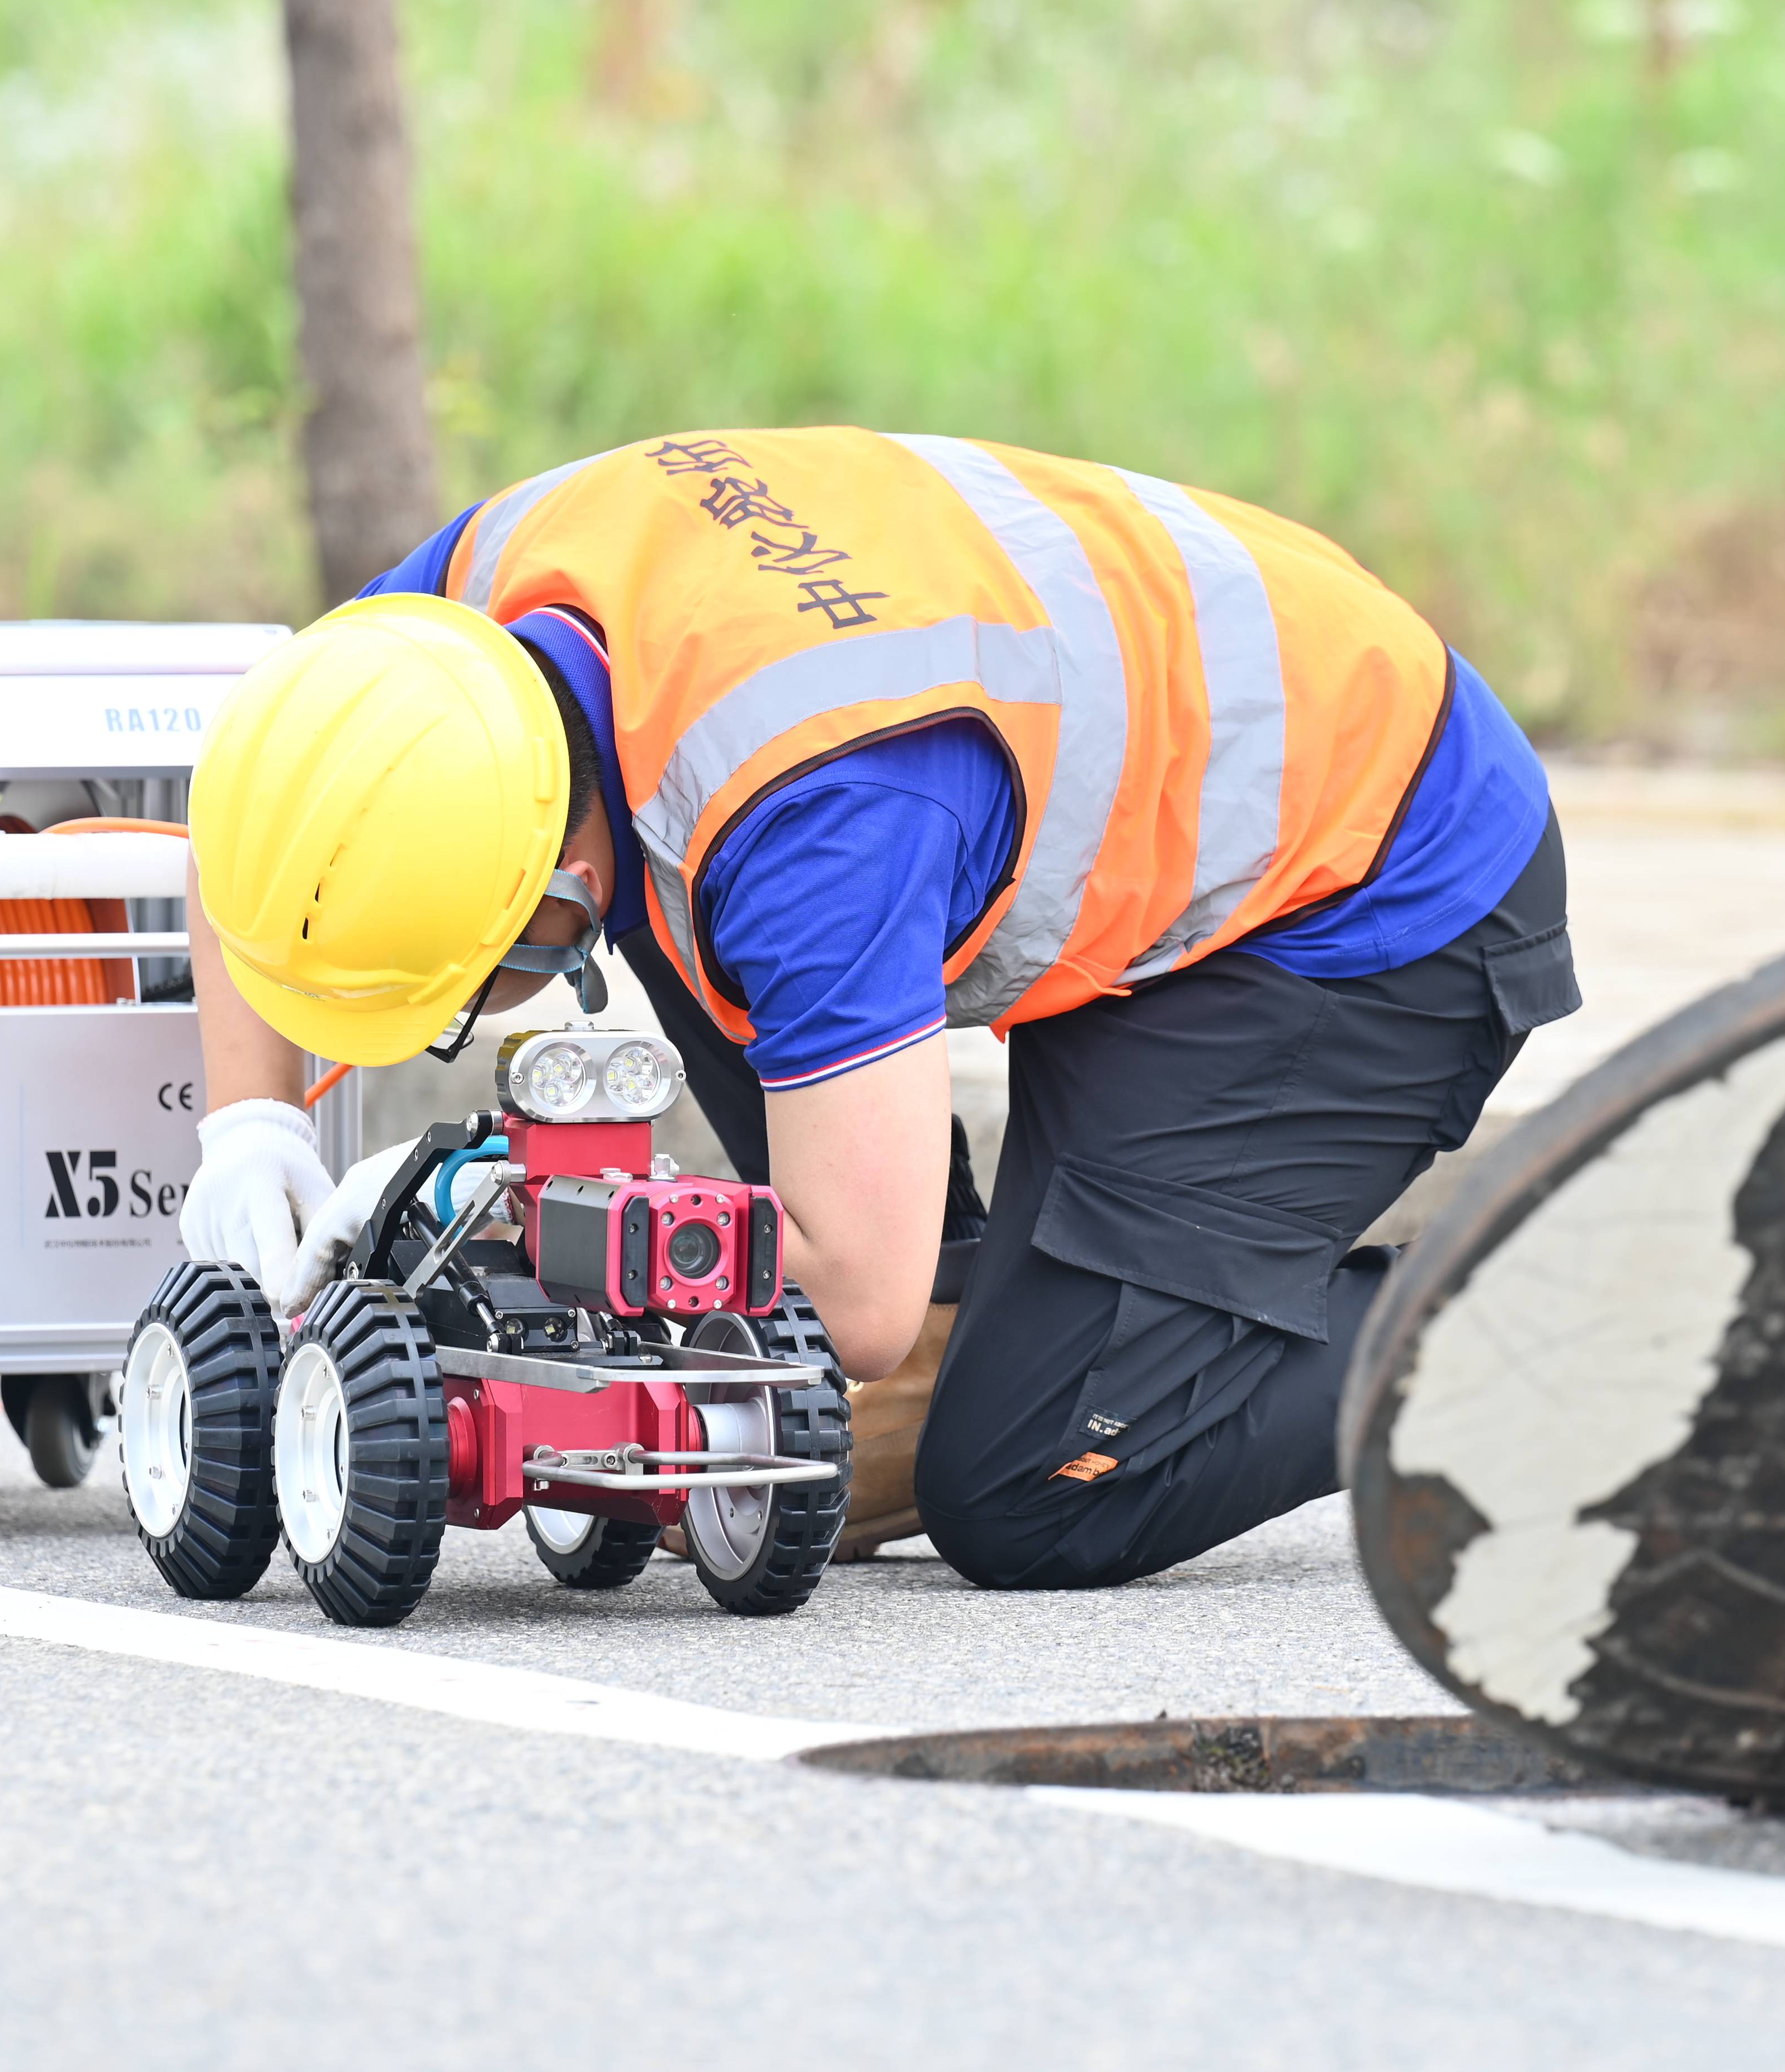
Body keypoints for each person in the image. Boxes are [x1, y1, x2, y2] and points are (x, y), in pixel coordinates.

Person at [175, 427, 1576, 1590]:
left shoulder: (810, 824)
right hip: (1158, 790)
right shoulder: (456, 631)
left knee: (1027, 1488)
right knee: (873, 1383)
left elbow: (855, 1293)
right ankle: (1030, 1310)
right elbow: (257, 807)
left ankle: (1536, 1320)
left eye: (464, 991)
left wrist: (510, 1218)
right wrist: (245, 1124)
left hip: (1378, 892)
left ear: (558, 890)